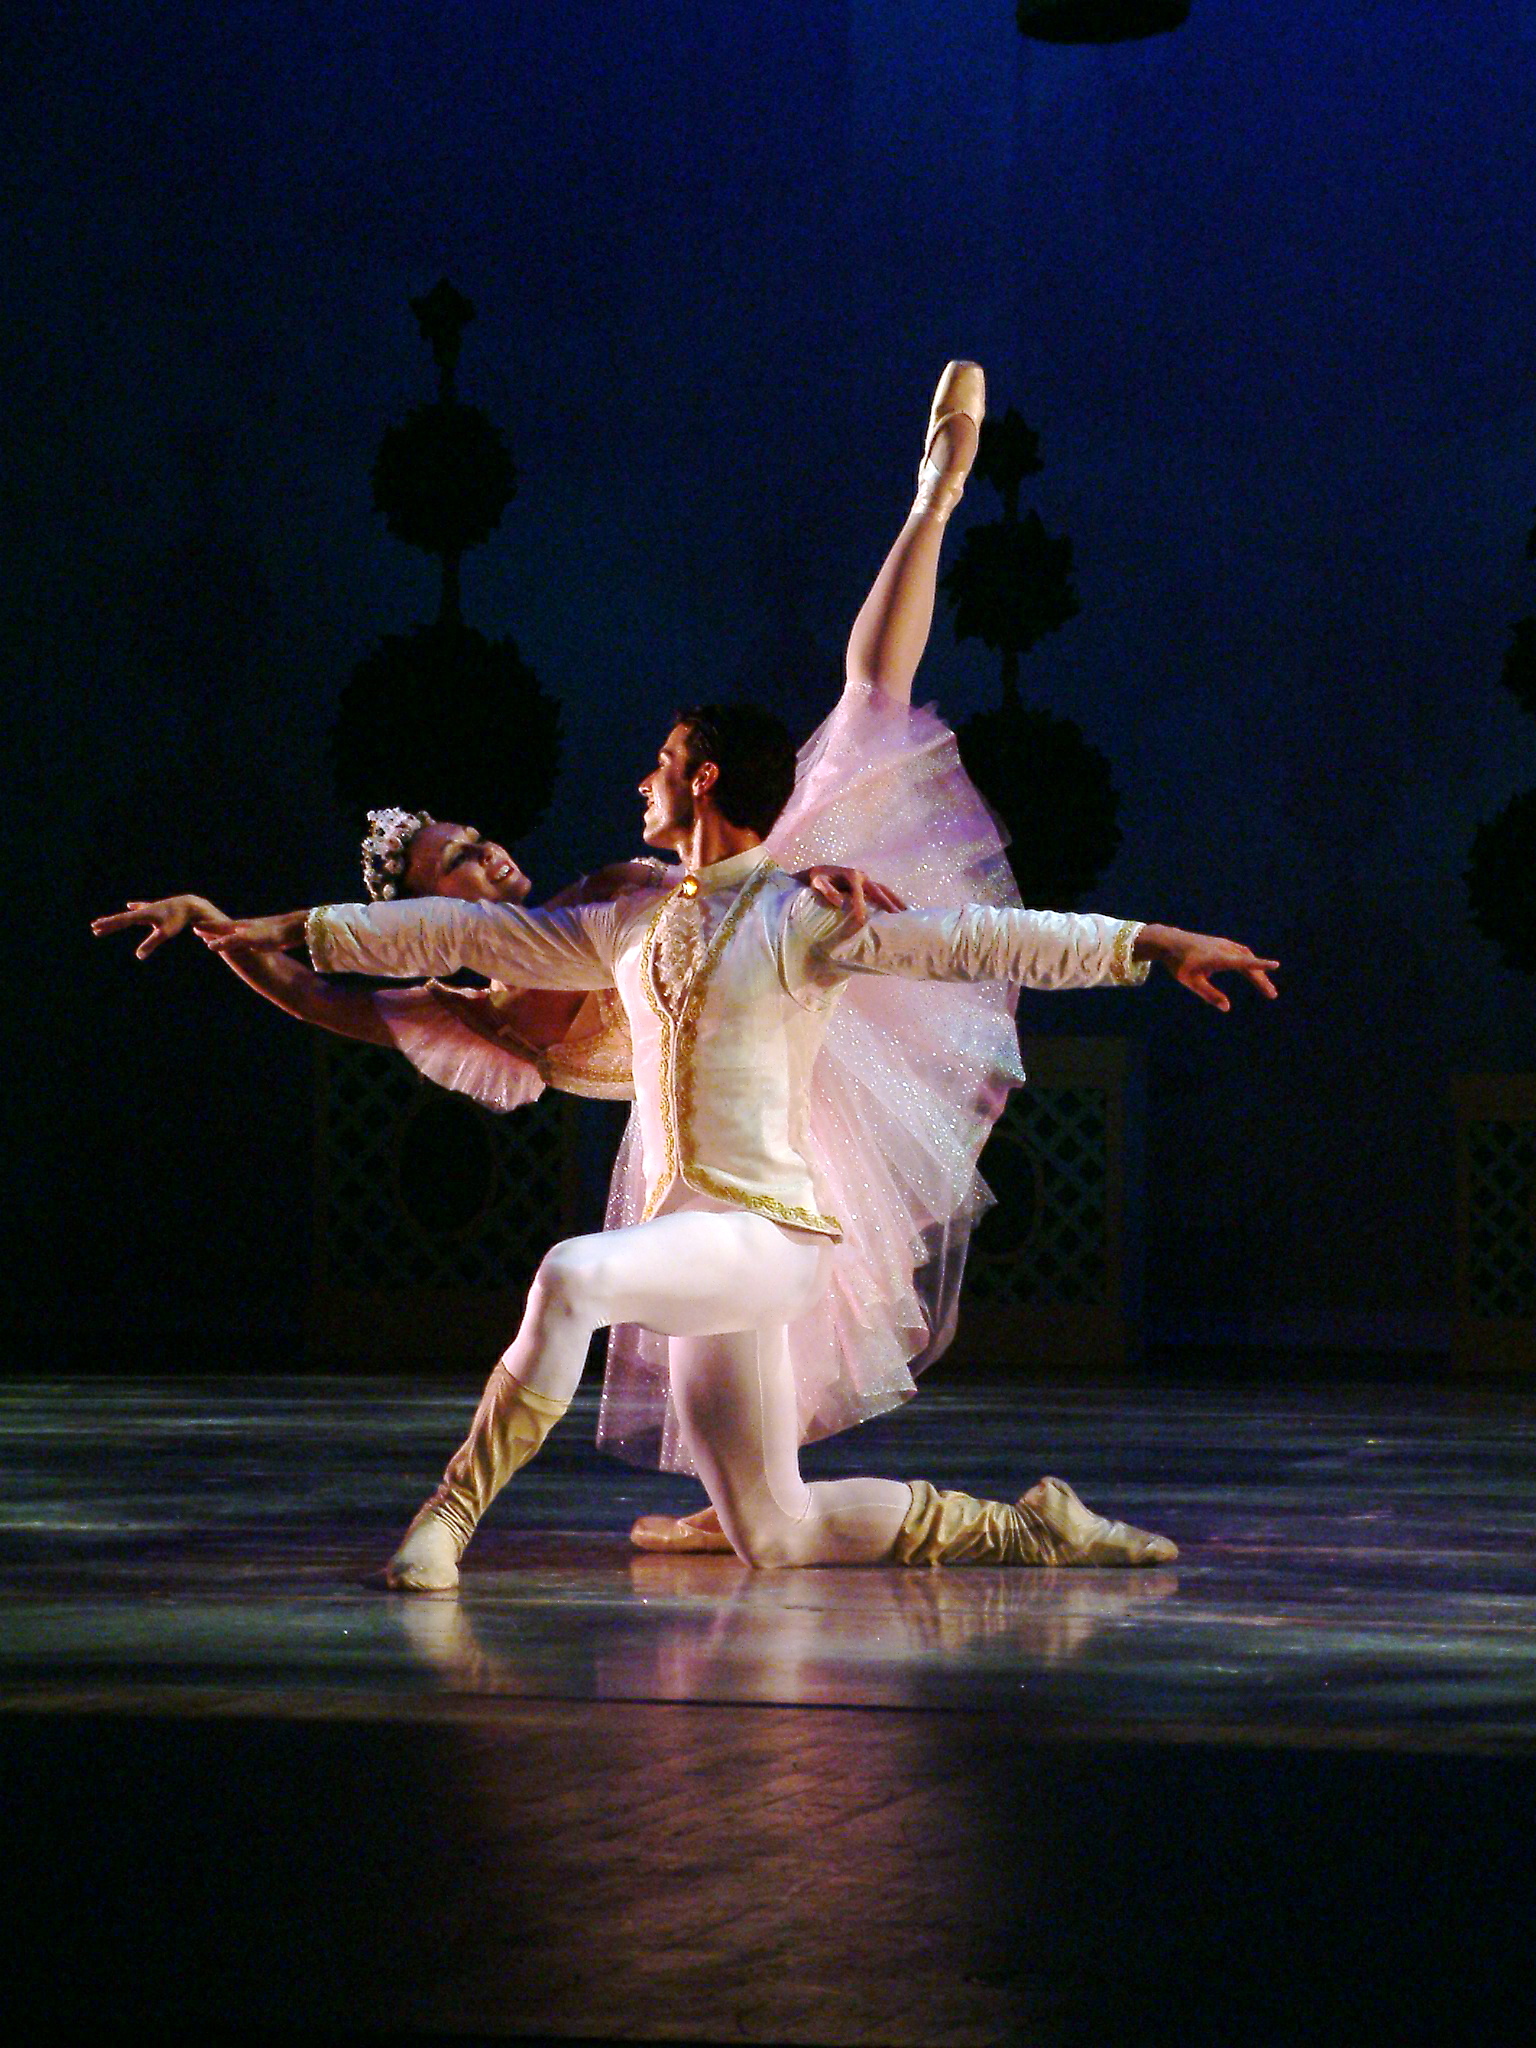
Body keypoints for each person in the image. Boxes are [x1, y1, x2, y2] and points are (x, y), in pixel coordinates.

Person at [203, 693, 1278, 1588]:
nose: (643, 781)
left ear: (704, 779)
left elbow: (979, 938)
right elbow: (459, 930)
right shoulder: (631, 922)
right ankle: (1036, 1527)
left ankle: (444, 1521)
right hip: (695, 1246)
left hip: (767, 1235)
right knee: (777, 1530)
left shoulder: (800, 917)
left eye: (663, 763)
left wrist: (1155, 942)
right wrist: (270, 928)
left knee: (571, 1274)